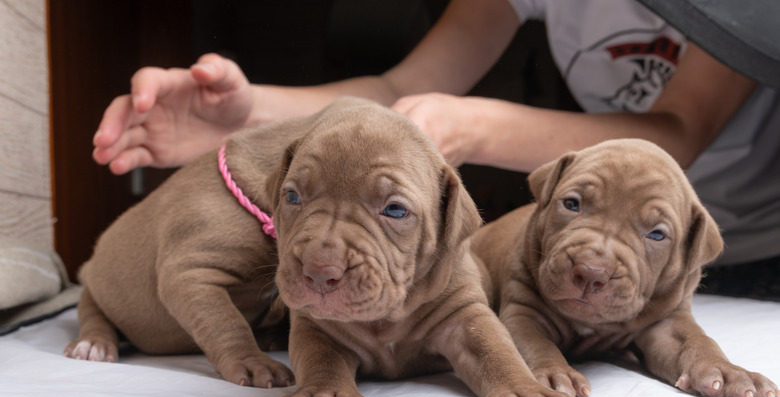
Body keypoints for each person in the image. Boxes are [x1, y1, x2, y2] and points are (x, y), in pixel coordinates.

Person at [92, 0, 780, 296]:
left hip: (753, 252)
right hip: (598, 256)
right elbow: (401, 86)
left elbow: (678, 131)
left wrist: (473, 128)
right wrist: (245, 117)